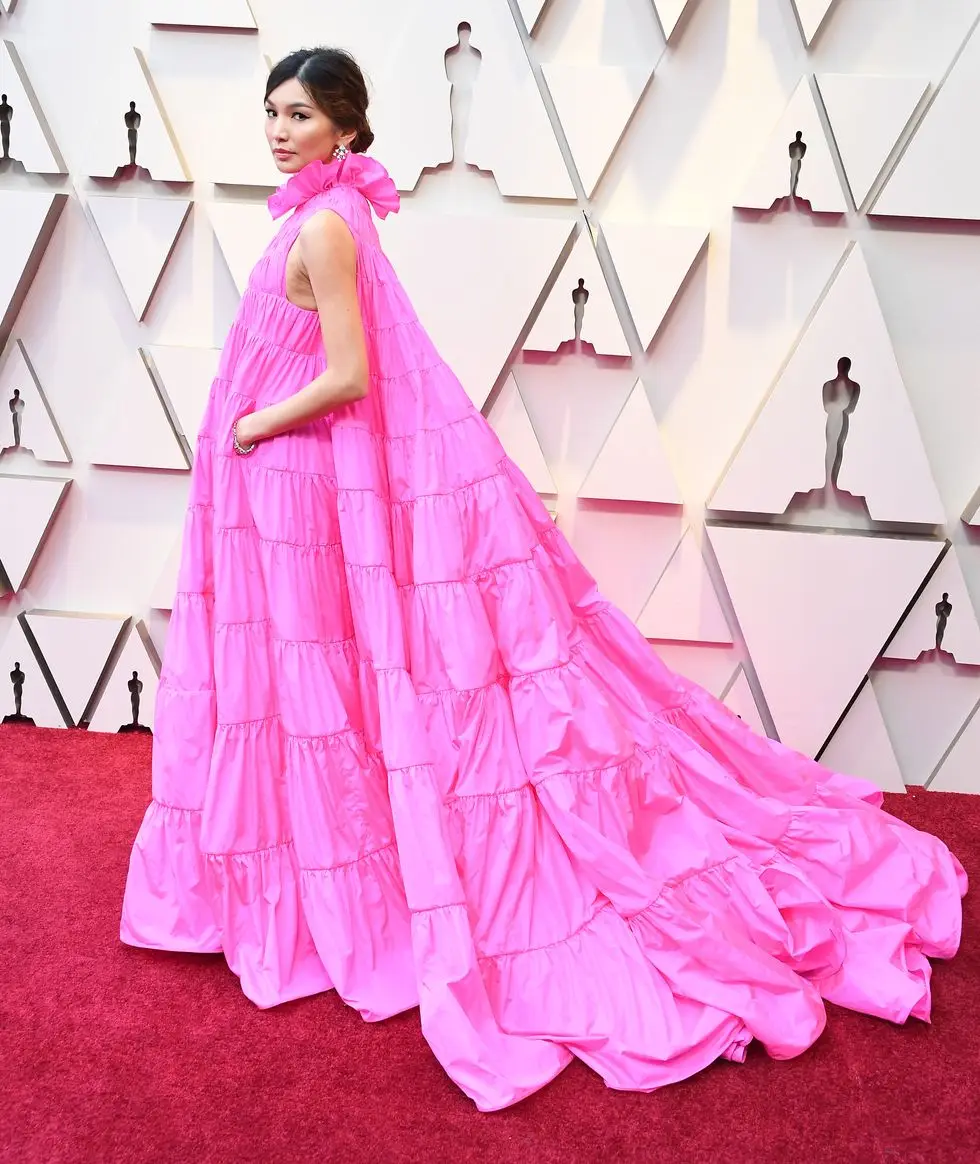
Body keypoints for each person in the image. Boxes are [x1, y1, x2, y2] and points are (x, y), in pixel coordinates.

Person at [120, 46, 967, 1113]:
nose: (278, 129)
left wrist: (247, 423)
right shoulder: (322, 216)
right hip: (285, 493)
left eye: (300, 114)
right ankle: (305, 867)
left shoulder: (330, 225)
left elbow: (346, 374)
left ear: (343, 127)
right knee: (308, 681)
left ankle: (332, 885)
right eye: (271, 111)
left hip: (285, 473)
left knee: (317, 677)